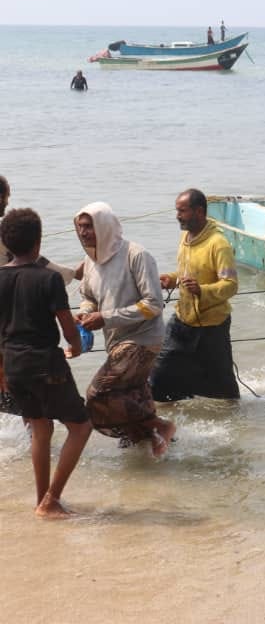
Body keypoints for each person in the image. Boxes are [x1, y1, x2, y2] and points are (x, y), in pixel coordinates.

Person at [0, 208, 92, 519]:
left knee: (40, 429)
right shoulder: (49, 279)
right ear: (38, 242)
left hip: (13, 364)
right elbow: (68, 328)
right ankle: (52, 499)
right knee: (80, 426)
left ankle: (42, 500)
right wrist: (77, 346)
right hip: (45, 362)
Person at [74, 202, 175, 456]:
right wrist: (86, 312)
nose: (84, 232)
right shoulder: (90, 260)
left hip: (143, 339)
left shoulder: (136, 254)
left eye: (89, 226)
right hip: (116, 341)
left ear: (104, 226)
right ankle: (149, 439)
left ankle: (162, 425)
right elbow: (88, 296)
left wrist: (105, 318)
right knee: (130, 395)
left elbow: (153, 304)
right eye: (80, 227)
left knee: (97, 394)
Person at [149, 189, 240, 401]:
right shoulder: (185, 237)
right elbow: (185, 274)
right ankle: (167, 424)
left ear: (199, 211)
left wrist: (202, 290)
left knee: (224, 390)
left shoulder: (219, 244)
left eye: (182, 211)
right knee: (158, 378)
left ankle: (236, 424)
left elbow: (231, 285)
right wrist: (172, 279)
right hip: (183, 320)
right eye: (177, 210)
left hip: (212, 327)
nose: (177, 216)